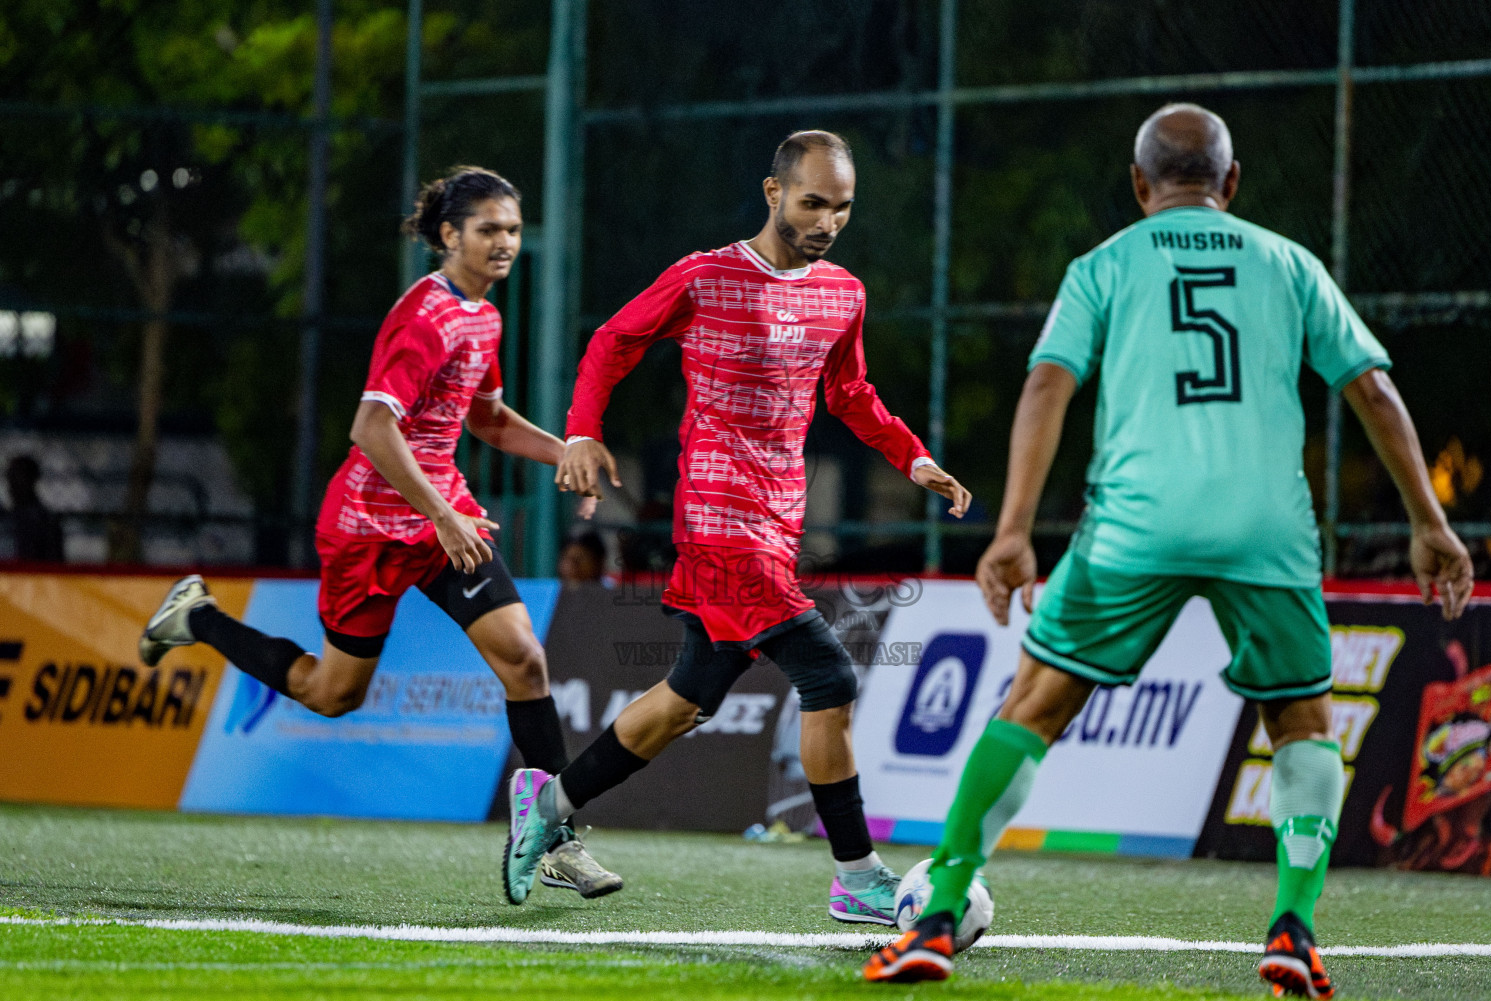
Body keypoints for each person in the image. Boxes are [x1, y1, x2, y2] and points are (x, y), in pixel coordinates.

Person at [865, 104, 1475, 994]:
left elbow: (1047, 383)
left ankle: (941, 908)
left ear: (1139, 184)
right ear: (1231, 182)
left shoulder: (1104, 265)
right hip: (1267, 529)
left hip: (1137, 523)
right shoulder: (1288, 262)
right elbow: (1373, 390)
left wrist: (1012, 532)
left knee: (1034, 703)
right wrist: (1431, 521)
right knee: (1302, 722)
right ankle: (1294, 928)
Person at [500, 130, 973, 916]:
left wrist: (914, 459)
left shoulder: (842, 294)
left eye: (842, 207)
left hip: (777, 523)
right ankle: (857, 879)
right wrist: (582, 429)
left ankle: (547, 811)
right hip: (717, 519)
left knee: (689, 694)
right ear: (772, 192)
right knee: (829, 675)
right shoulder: (705, 276)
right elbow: (614, 341)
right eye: (813, 202)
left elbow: (850, 394)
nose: (826, 221)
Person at [138, 166, 622, 901]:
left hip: (440, 522)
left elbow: (484, 418)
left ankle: (554, 838)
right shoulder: (424, 316)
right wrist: (440, 512)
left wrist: (566, 451)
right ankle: (197, 615)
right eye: (488, 229)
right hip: (370, 528)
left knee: (525, 660)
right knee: (332, 694)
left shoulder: (483, 316)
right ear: (449, 235)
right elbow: (372, 427)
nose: (504, 243)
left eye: (513, 229)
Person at [5, 455, 65, 561]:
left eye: (17, 478)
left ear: (31, 480)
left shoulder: (45, 522)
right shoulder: (9, 518)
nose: (12, 485)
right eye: (10, 478)